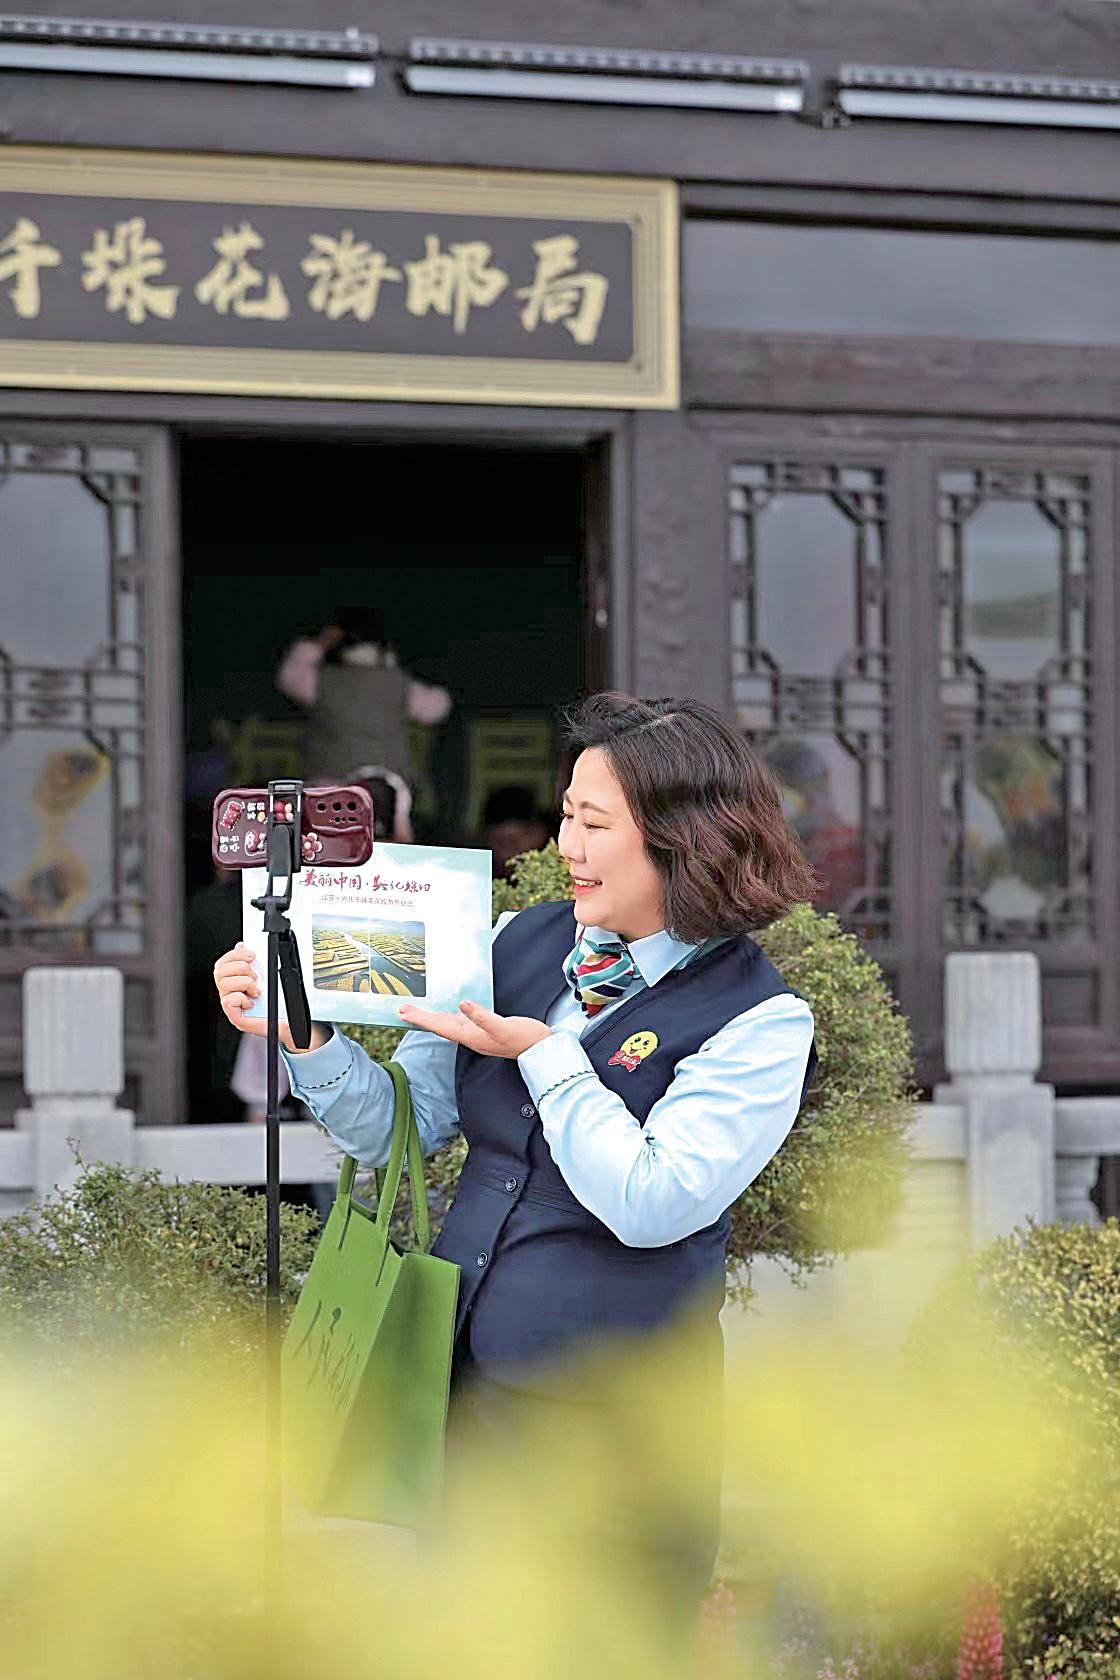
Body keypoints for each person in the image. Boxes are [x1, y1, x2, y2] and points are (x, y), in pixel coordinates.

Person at [213, 691, 817, 1638]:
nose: (565, 845)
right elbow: (399, 1131)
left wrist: (546, 1055)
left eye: (594, 824)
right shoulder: (512, 942)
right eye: (566, 814)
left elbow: (654, 1200)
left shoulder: (760, 1020)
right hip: (464, 1402)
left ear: (684, 839)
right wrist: (305, 1038)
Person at [276, 606, 451, 795]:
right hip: (384, 791)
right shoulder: (398, 684)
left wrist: (320, 643)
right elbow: (437, 708)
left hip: (330, 789)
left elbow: (290, 677)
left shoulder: (321, 681)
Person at [478, 783, 551, 878]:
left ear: (538, 834)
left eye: (513, 843)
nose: (505, 854)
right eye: (500, 842)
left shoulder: (555, 875)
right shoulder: (478, 877)